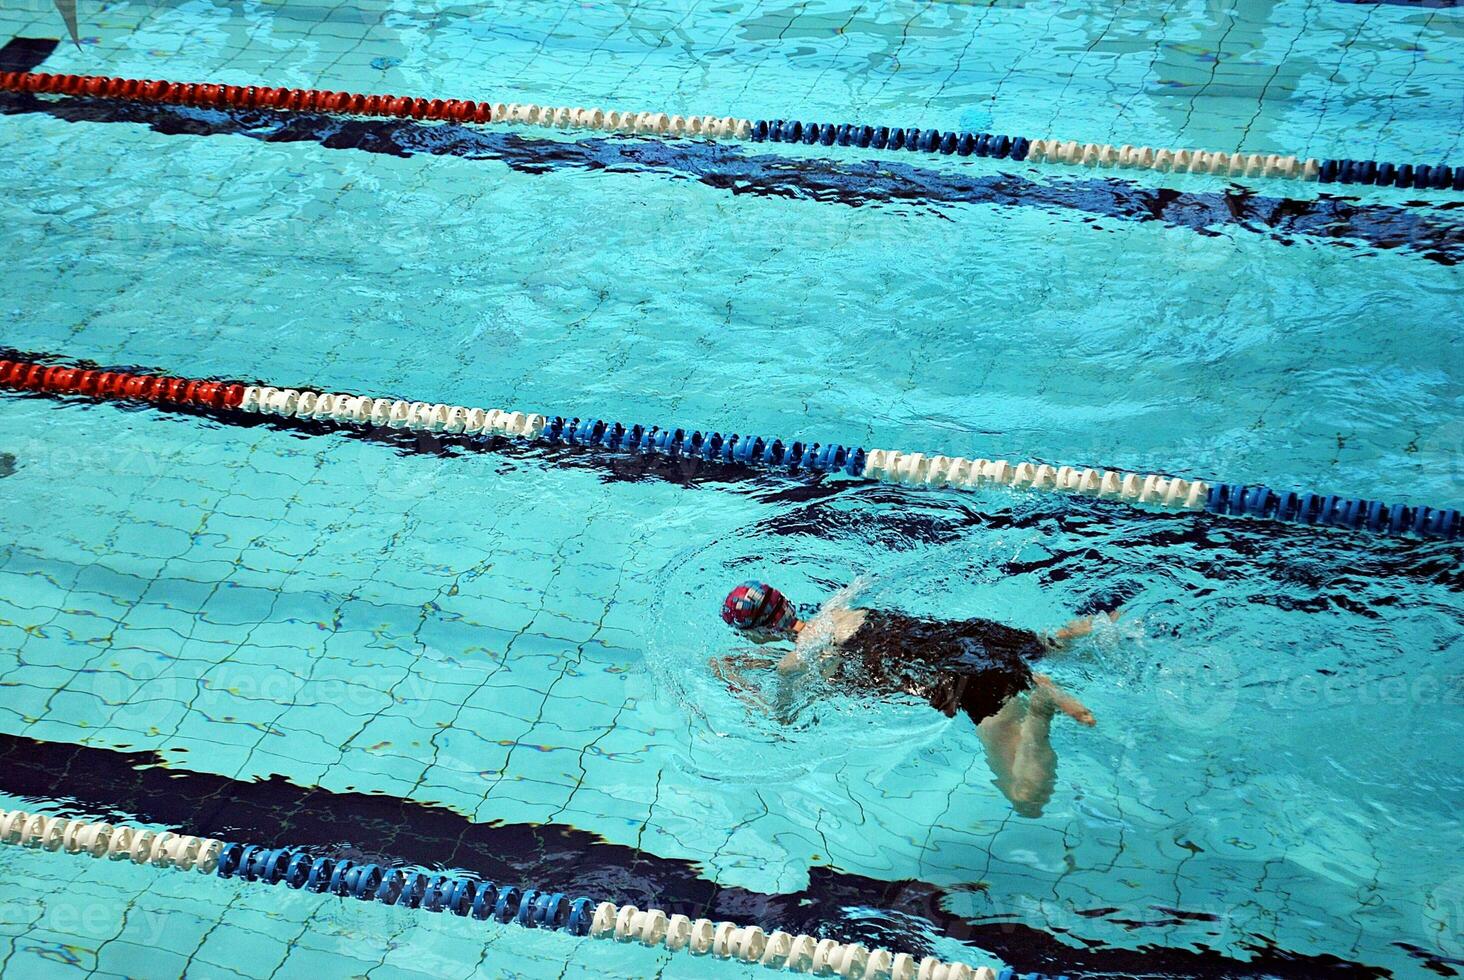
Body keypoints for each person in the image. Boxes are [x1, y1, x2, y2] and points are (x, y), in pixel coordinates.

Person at [711, 580, 1115, 817]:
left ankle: (1041, 708)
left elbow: (782, 719)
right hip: (974, 636)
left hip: (966, 679)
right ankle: (1084, 631)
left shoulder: (794, 665)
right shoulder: (839, 610)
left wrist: (733, 680)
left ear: (759, 633)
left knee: (1027, 798)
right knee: (1047, 645)